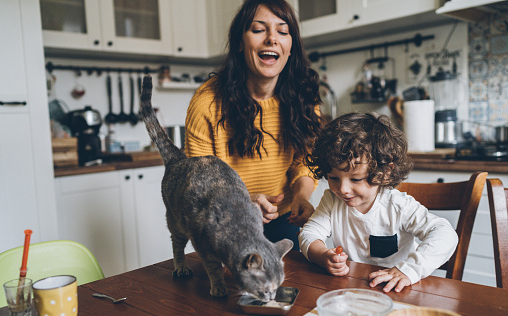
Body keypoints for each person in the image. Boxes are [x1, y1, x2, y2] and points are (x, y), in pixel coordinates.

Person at [185, 0, 322, 250]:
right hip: (226, 220)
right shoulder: (207, 103)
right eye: (259, 30)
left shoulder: (303, 97)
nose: (272, 38)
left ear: (290, 48)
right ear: (240, 43)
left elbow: (304, 159)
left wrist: (302, 195)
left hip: (284, 219)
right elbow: (200, 183)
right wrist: (243, 202)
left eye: (282, 31)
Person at [299, 112, 458, 292]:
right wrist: (322, 256)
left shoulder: (398, 206)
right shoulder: (331, 200)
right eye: (334, 178)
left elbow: (445, 234)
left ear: (384, 173)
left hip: (397, 290)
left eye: (356, 179)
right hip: (352, 288)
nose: (342, 189)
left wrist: (409, 270)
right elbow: (309, 234)